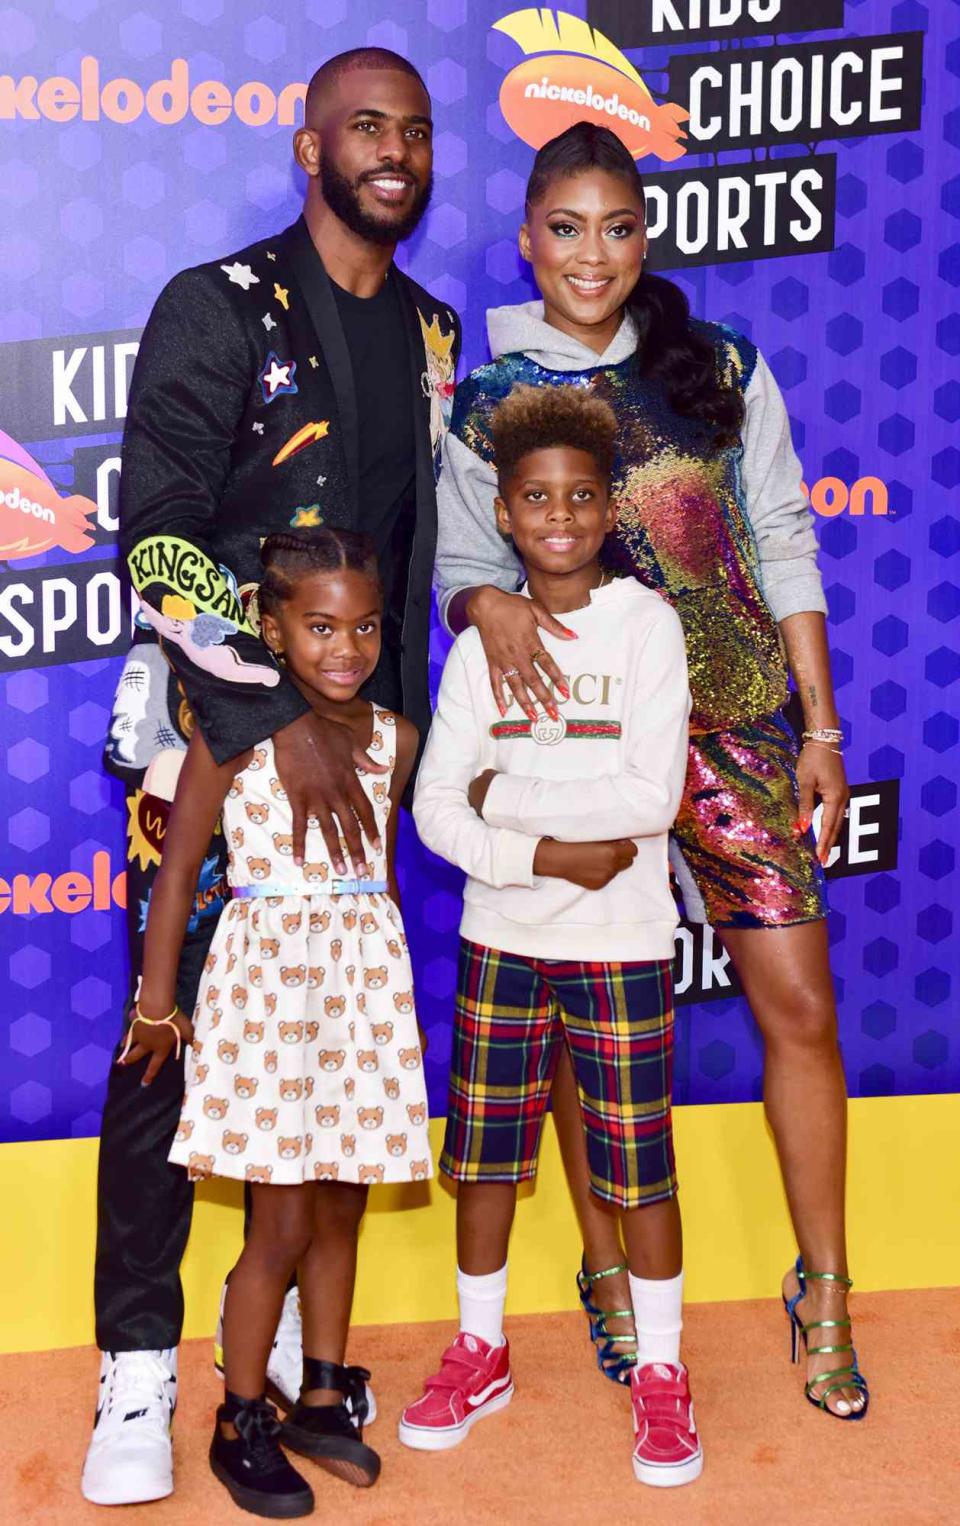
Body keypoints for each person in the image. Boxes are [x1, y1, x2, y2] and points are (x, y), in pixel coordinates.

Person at [434, 121, 868, 1423]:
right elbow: (462, 569)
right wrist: (484, 611)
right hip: (575, 738)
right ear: (527, 236)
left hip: (733, 727)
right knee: (580, 1020)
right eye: (565, 228)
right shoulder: (486, 387)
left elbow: (783, 538)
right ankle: (611, 1268)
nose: (591, 254)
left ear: (644, 236)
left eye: (616, 226)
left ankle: (829, 1285)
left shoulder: (719, 365)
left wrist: (824, 727)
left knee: (800, 1001)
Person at [85, 47, 460, 1507]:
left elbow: (430, 554)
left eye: (416, 132)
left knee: (330, 1083)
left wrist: (396, 743)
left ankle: (313, 1380)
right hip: (213, 746)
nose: (394, 149)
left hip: (367, 769)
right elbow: (161, 534)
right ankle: (135, 1371)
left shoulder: (433, 334)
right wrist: (265, 720)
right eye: (366, 126)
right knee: (163, 1053)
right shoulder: (217, 305)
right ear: (309, 148)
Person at [403, 384, 701, 1487]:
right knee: (483, 1161)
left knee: (638, 1169)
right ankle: (481, 1347)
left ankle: (663, 1369)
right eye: (538, 497)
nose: (562, 515)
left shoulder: (646, 626)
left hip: (621, 941)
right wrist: (546, 854)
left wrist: (507, 788)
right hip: (505, 936)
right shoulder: (483, 644)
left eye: (581, 496)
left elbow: (649, 791)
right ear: (507, 509)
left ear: (610, 506)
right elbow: (438, 807)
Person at [118, 527, 430, 1517]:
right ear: (271, 627)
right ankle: (239, 1411)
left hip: (359, 986)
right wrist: (158, 1005)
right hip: (267, 987)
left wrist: (386, 996)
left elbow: (376, 874)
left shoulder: (397, 736)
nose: (347, 646)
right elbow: (175, 881)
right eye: (321, 625)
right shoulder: (229, 732)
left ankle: (324, 1390)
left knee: (342, 1198)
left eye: (366, 625)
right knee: (283, 1217)